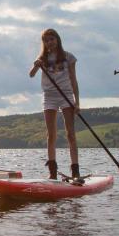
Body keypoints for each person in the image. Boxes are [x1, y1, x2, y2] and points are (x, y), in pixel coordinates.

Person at [29, 28, 82, 181]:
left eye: (52, 39)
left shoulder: (68, 57)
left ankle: (75, 170)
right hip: (49, 96)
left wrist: (77, 102)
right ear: (44, 43)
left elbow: (74, 80)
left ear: (57, 40)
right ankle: (52, 171)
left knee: (70, 134)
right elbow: (31, 75)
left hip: (66, 94)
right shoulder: (42, 58)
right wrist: (36, 65)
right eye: (46, 40)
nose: (49, 42)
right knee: (51, 134)